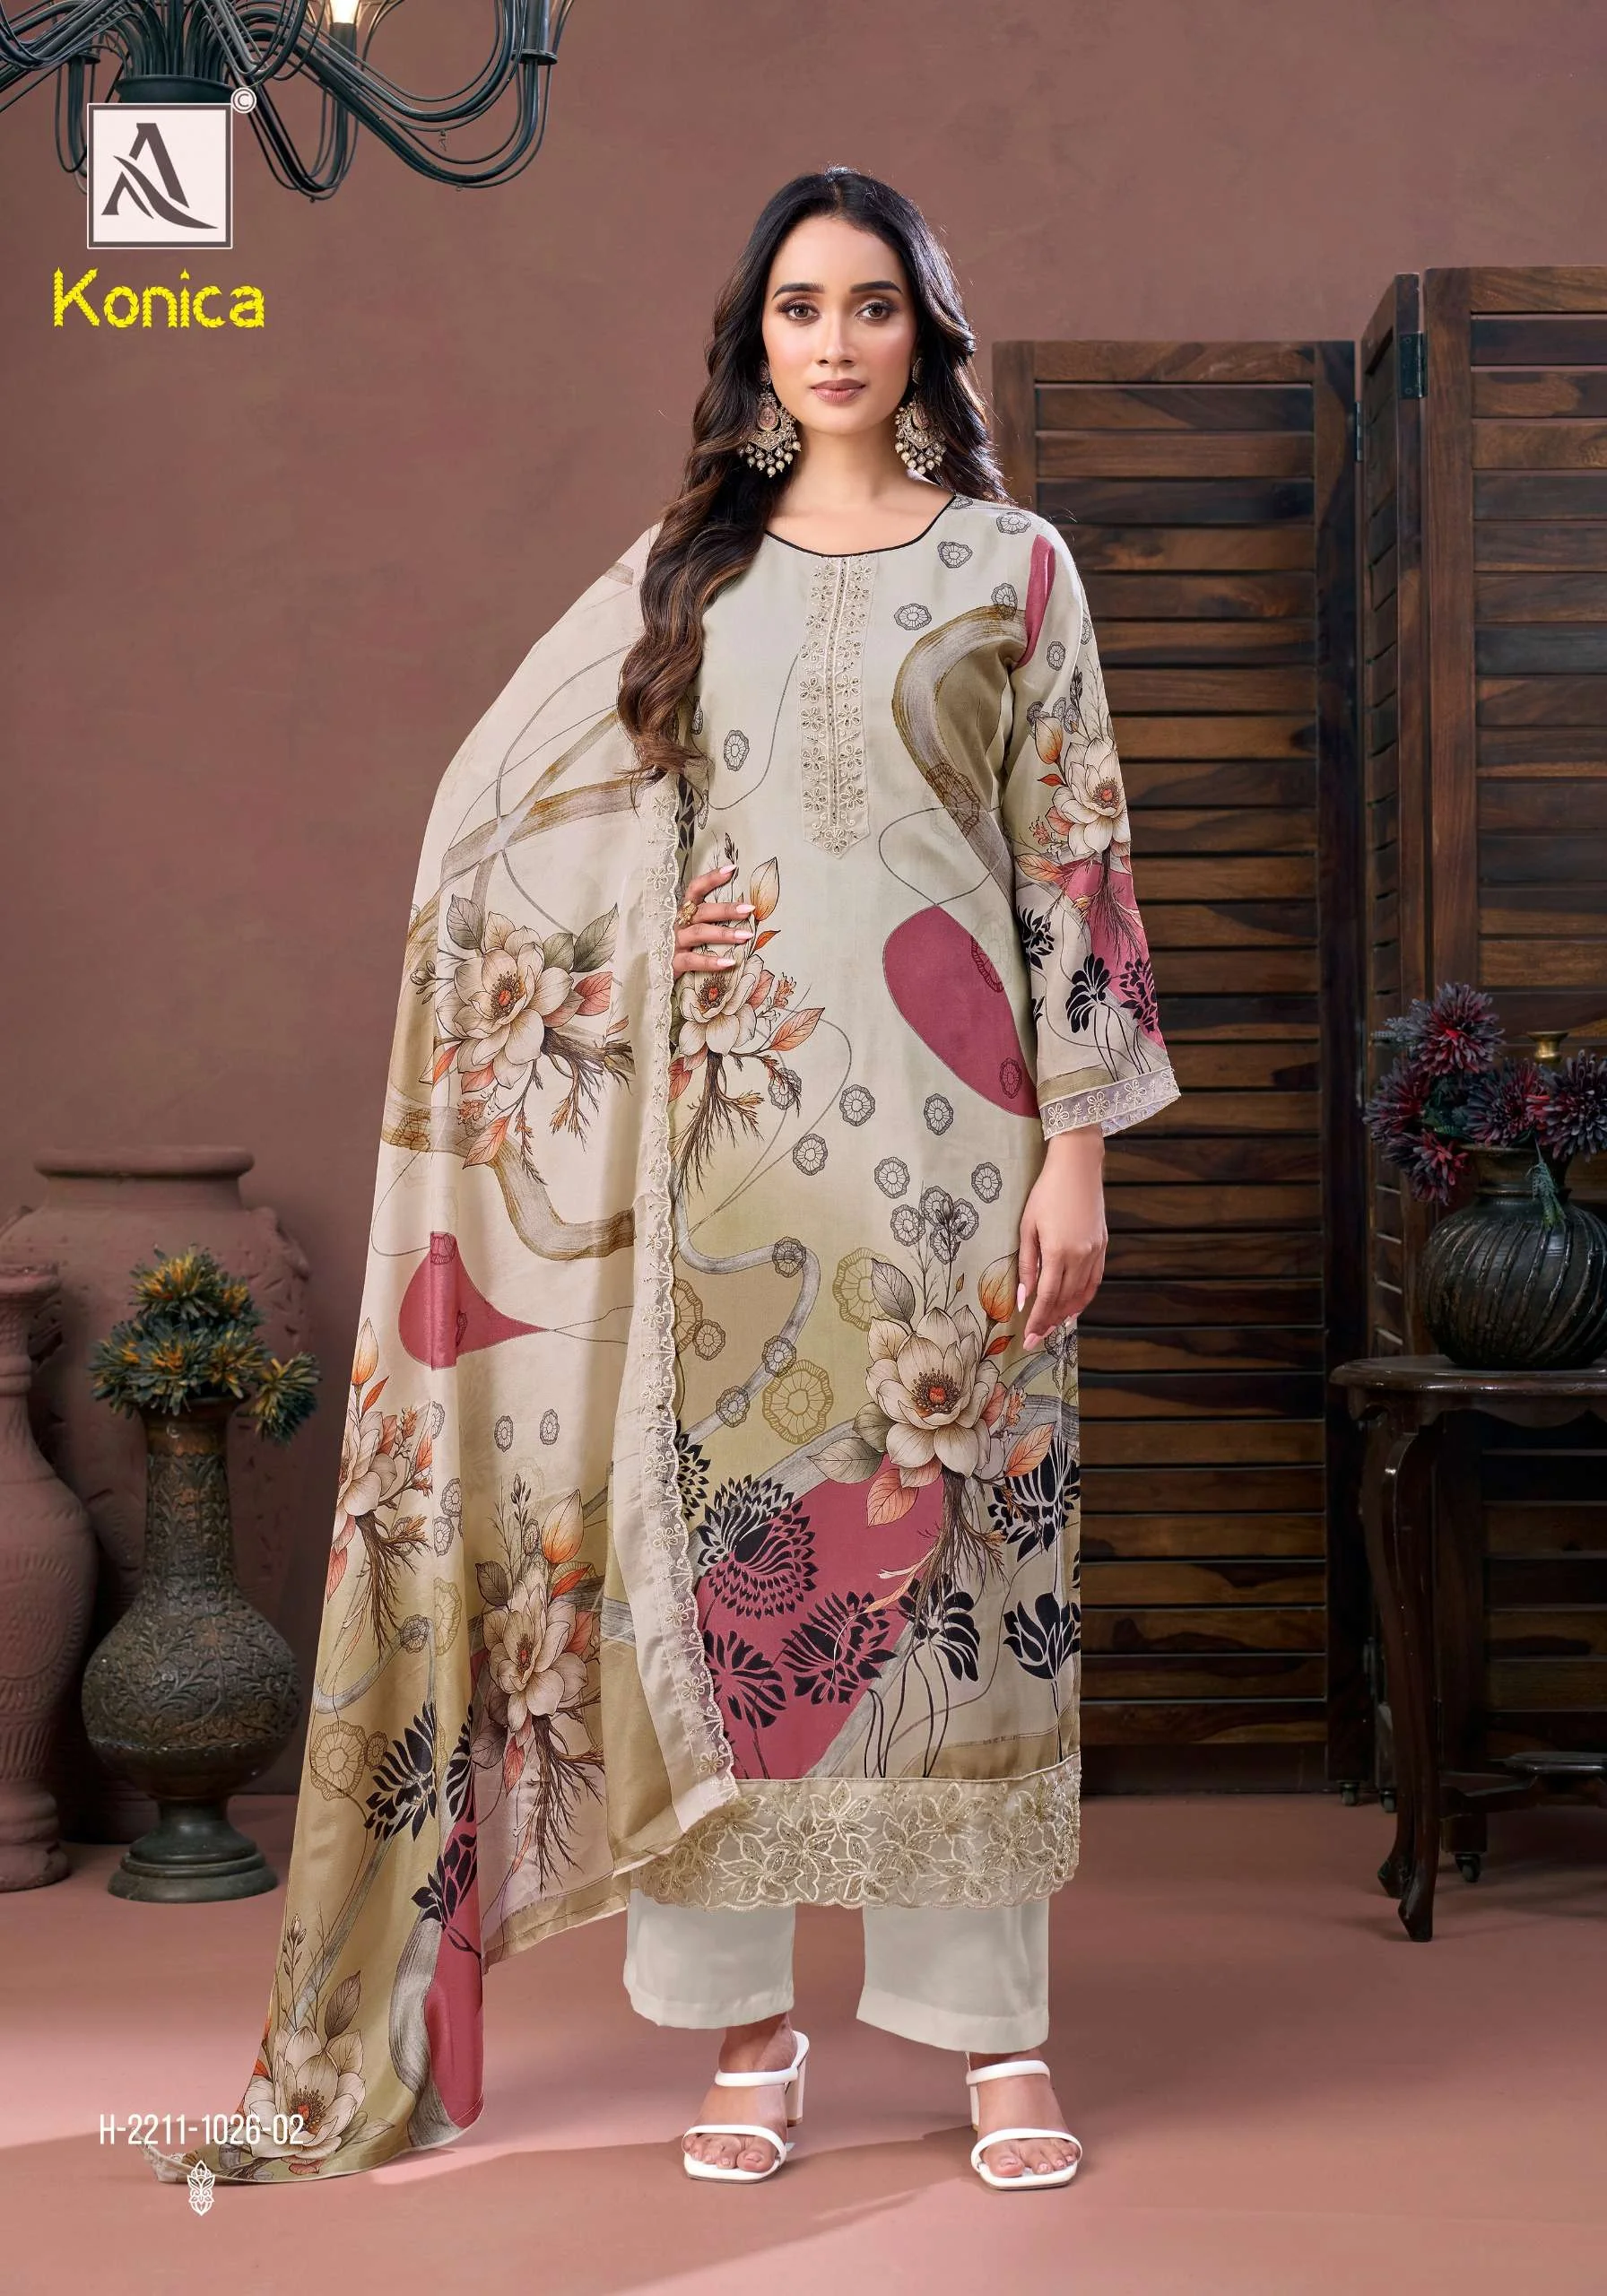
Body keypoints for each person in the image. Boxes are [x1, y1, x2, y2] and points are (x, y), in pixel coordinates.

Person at [145, 168, 1176, 2199]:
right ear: (753, 340)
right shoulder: (686, 576)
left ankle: (995, 2035)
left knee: (966, 1584)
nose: (833, 340)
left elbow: (1076, 864)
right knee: (725, 1594)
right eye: (798, 305)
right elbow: (499, 835)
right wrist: (642, 933)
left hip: (959, 1166)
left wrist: (1076, 1157)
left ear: (923, 332)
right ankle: (747, 2032)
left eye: (869, 304)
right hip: (726, 1155)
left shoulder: (1016, 565)